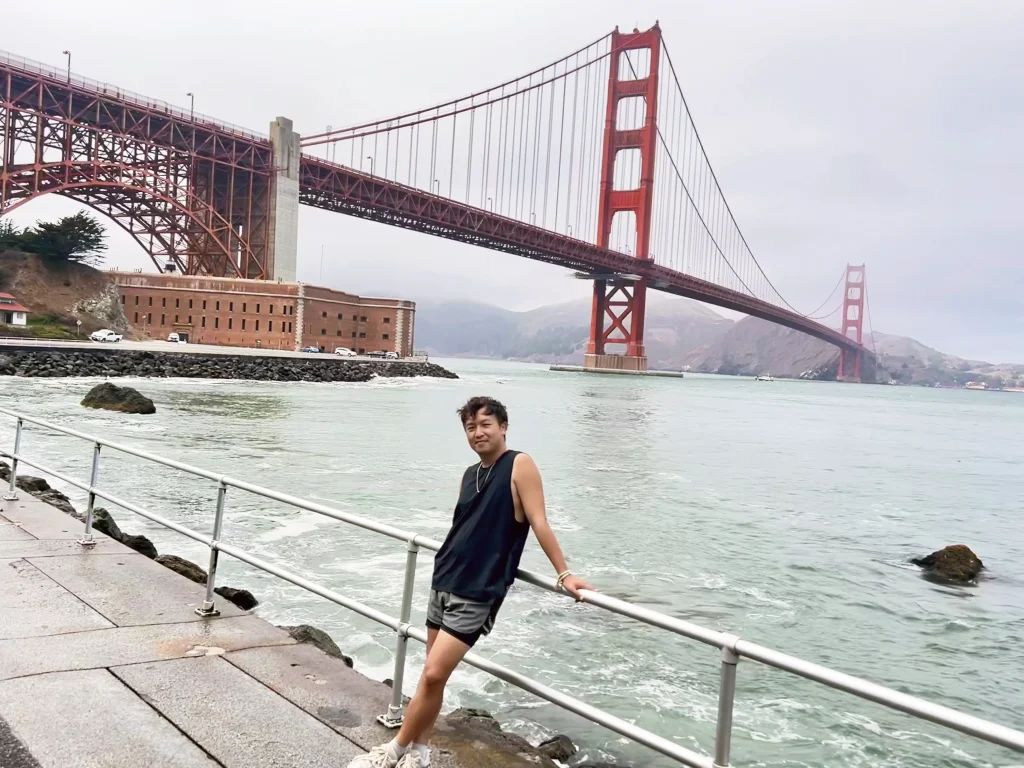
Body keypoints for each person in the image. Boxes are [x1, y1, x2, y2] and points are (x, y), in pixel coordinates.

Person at [349, 396, 593, 768]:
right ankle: (420, 754)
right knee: (433, 678)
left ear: (503, 427)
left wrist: (564, 573)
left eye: (485, 424)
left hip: (478, 590)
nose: (478, 433)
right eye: (470, 427)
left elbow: (539, 522)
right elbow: (461, 526)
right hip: (445, 579)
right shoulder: (469, 474)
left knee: (433, 674)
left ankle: (392, 751)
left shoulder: (520, 464)